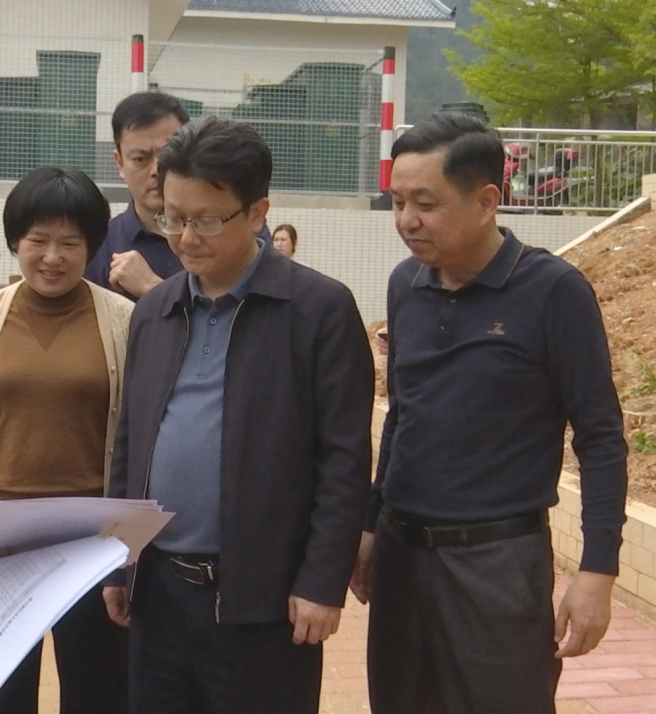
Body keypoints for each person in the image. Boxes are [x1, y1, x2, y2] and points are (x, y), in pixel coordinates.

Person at [349, 112, 628, 714]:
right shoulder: (406, 284)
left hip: (497, 566)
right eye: (398, 201)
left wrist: (598, 570)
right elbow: (402, 415)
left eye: (426, 204)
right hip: (401, 555)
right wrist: (371, 525)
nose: (406, 220)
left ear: (486, 201)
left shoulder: (553, 291)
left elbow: (601, 437)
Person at [103, 116, 374, 713]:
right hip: (160, 596)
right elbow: (131, 444)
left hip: (264, 602)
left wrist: (321, 582)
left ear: (257, 213)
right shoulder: (155, 311)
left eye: (206, 220)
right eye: (172, 217)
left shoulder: (318, 310)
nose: (185, 237)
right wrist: (119, 565)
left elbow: (344, 460)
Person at [0, 166, 134, 714]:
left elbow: (138, 433)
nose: (53, 257)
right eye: (38, 240)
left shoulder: (125, 321)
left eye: (70, 243)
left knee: (97, 693)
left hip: (91, 546)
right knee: (0, 698)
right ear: (15, 241)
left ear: (91, 247)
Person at [84, 92, 271, 301]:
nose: (156, 170)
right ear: (119, 162)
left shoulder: (238, 228)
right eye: (140, 159)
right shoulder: (98, 245)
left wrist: (152, 288)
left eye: (167, 155)